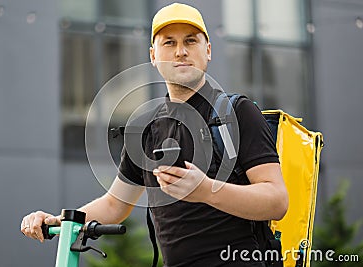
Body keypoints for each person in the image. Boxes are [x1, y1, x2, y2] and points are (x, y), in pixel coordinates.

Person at [21, 3, 288, 266]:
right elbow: (115, 205)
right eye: (169, 43)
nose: (180, 52)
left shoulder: (237, 113)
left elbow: (277, 201)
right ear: (153, 55)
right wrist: (62, 221)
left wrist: (207, 190)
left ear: (208, 50)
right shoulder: (146, 129)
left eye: (190, 41)